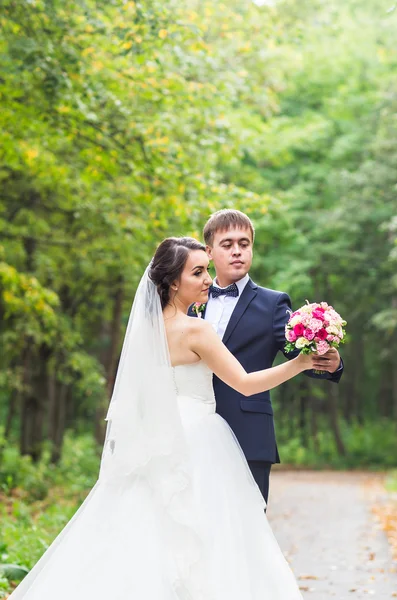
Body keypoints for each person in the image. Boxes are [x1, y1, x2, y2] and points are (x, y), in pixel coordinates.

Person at [9, 237, 317, 600]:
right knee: (212, 539)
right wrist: (299, 363)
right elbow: (246, 384)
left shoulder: (146, 330)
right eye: (198, 272)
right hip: (201, 438)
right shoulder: (197, 330)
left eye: (206, 270)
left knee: (143, 532)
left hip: (155, 438)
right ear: (173, 282)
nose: (208, 279)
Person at [188, 209, 344, 503]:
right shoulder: (190, 302)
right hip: (193, 433)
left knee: (247, 532)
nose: (237, 251)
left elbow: (298, 353)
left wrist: (330, 363)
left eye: (244, 244)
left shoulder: (273, 303)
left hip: (249, 434)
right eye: (228, 244)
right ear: (209, 252)